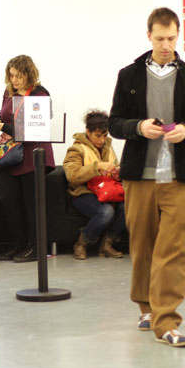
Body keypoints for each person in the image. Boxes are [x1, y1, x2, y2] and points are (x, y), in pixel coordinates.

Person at [108, 7, 185, 348]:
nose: (166, 45)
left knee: (173, 249)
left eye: (171, 38)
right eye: (160, 39)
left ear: (178, 35)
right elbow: (114, 123)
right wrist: (138, 127)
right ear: (148, 36)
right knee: (142, 245)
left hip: (180, 178)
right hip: (140, 176)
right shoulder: (128, 76)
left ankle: (166, 320)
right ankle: (145, 305)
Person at [0, 55, 56, 263]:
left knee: (32, 204)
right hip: (12, 155)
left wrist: (7, 128)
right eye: (11, 76)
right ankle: (18, 244)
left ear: (29, 74)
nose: (14, 80)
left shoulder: (39, 94)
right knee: (8, 200)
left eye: (18, 76)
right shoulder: (9, 93)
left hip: (33, 154)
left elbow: (38, 127)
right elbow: (4, 115)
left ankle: (35, 247)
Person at [63, 109, 124, 260]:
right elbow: (72, 176)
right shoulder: (76, 149)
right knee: (106, 212)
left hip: (107, 190)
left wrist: (118, 173)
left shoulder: (108, 148)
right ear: (88, 132)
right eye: (98, 135)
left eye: (105, 135)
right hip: (83, 193)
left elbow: (114, 169)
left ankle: (107, 243)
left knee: (131, 207)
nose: (102, 140)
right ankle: (81, 244)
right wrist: (96, 167)